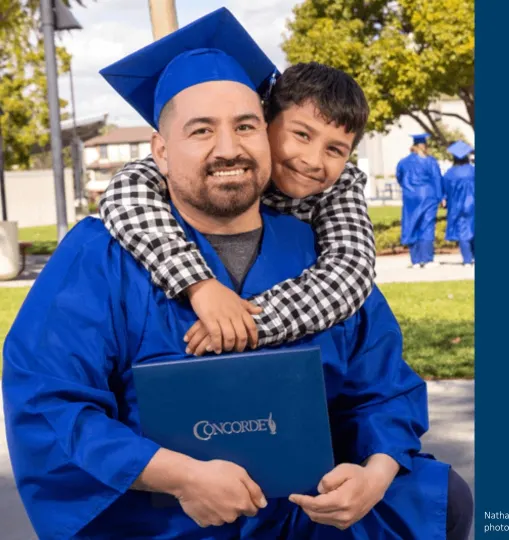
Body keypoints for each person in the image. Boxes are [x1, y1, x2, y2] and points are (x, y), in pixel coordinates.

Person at [1, 8, 472, 539]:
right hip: (163, 517)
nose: (228, 148)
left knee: (438, 497)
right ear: (160, 150)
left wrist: (374, 473)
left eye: (245, 125)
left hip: (306, 513)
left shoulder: (321, 249)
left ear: (264, 133)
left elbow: (384, 387)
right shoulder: (99, 255)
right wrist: (181, 477)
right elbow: (50, 400)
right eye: (201, 130)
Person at [98, 54, 378, 356]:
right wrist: (198, 284)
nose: (312, 160)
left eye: (335, 150)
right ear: (265, 122)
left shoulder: (339, 187)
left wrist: (247, 323)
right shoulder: (106, 251)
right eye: (300, 135)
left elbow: (351, 269)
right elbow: (125, 192)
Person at [396, 133, 443, 268]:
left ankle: (415, 260)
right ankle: (427, 259)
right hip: (428, 196)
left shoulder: (403, 162)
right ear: (425, 146)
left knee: (412, 224)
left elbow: (399, 177)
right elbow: (437, 179)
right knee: (426, 226)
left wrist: (408, 189)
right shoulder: (430, 161)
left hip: (410, 197)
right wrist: (441, 197)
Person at [441, 141, 476, 265]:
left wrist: (444, 199)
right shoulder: (473, 171)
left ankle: (467, 259)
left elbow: (444, 191)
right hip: (474, 204)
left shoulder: (449, 174)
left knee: (463, 232)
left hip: (457, 206)